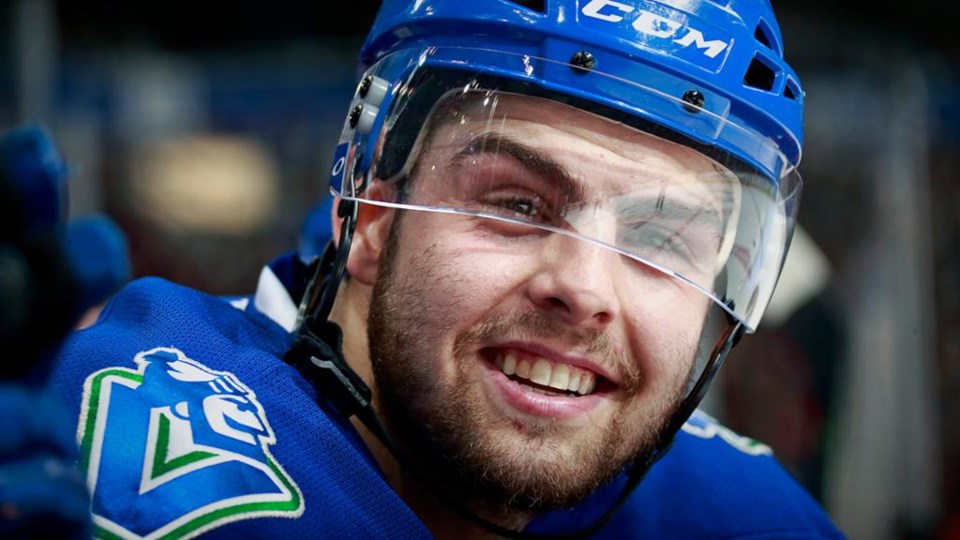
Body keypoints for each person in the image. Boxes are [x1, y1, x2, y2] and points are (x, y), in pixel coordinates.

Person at [10, 0, 845, 538]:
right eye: (517, 204)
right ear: (367, 214)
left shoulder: (737, 508)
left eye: (661, 241)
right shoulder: (116, 438)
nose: (585, 288)